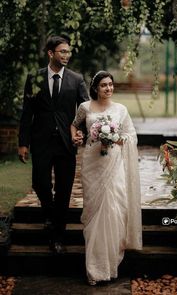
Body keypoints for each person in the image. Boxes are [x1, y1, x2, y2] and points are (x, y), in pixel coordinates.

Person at [18, 35, 89, 254]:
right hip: (41, 141)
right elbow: (27, 112)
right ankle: (49, 213)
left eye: (68, 51)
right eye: (62, 52)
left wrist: (82, 134)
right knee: (40, 182)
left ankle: (58, 235)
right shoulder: (35, 78)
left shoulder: (76, 79)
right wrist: (23, 143)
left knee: (64, 189)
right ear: (51, 53)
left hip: (66, 144)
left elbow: (85, 111)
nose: (67, 55)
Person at [71, 70, 142, 285]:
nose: (108, 88)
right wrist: (76, 135)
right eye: (103, 85)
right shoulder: (85, 107)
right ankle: (95, 269)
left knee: (115, 209)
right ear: (95, 88)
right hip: (92, 164)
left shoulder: (121, 110)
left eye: (110, 84)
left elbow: (131, 135)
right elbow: (75, 124)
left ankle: (109, 265)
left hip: (115, 164)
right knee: (94, 211)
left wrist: (115, 137)